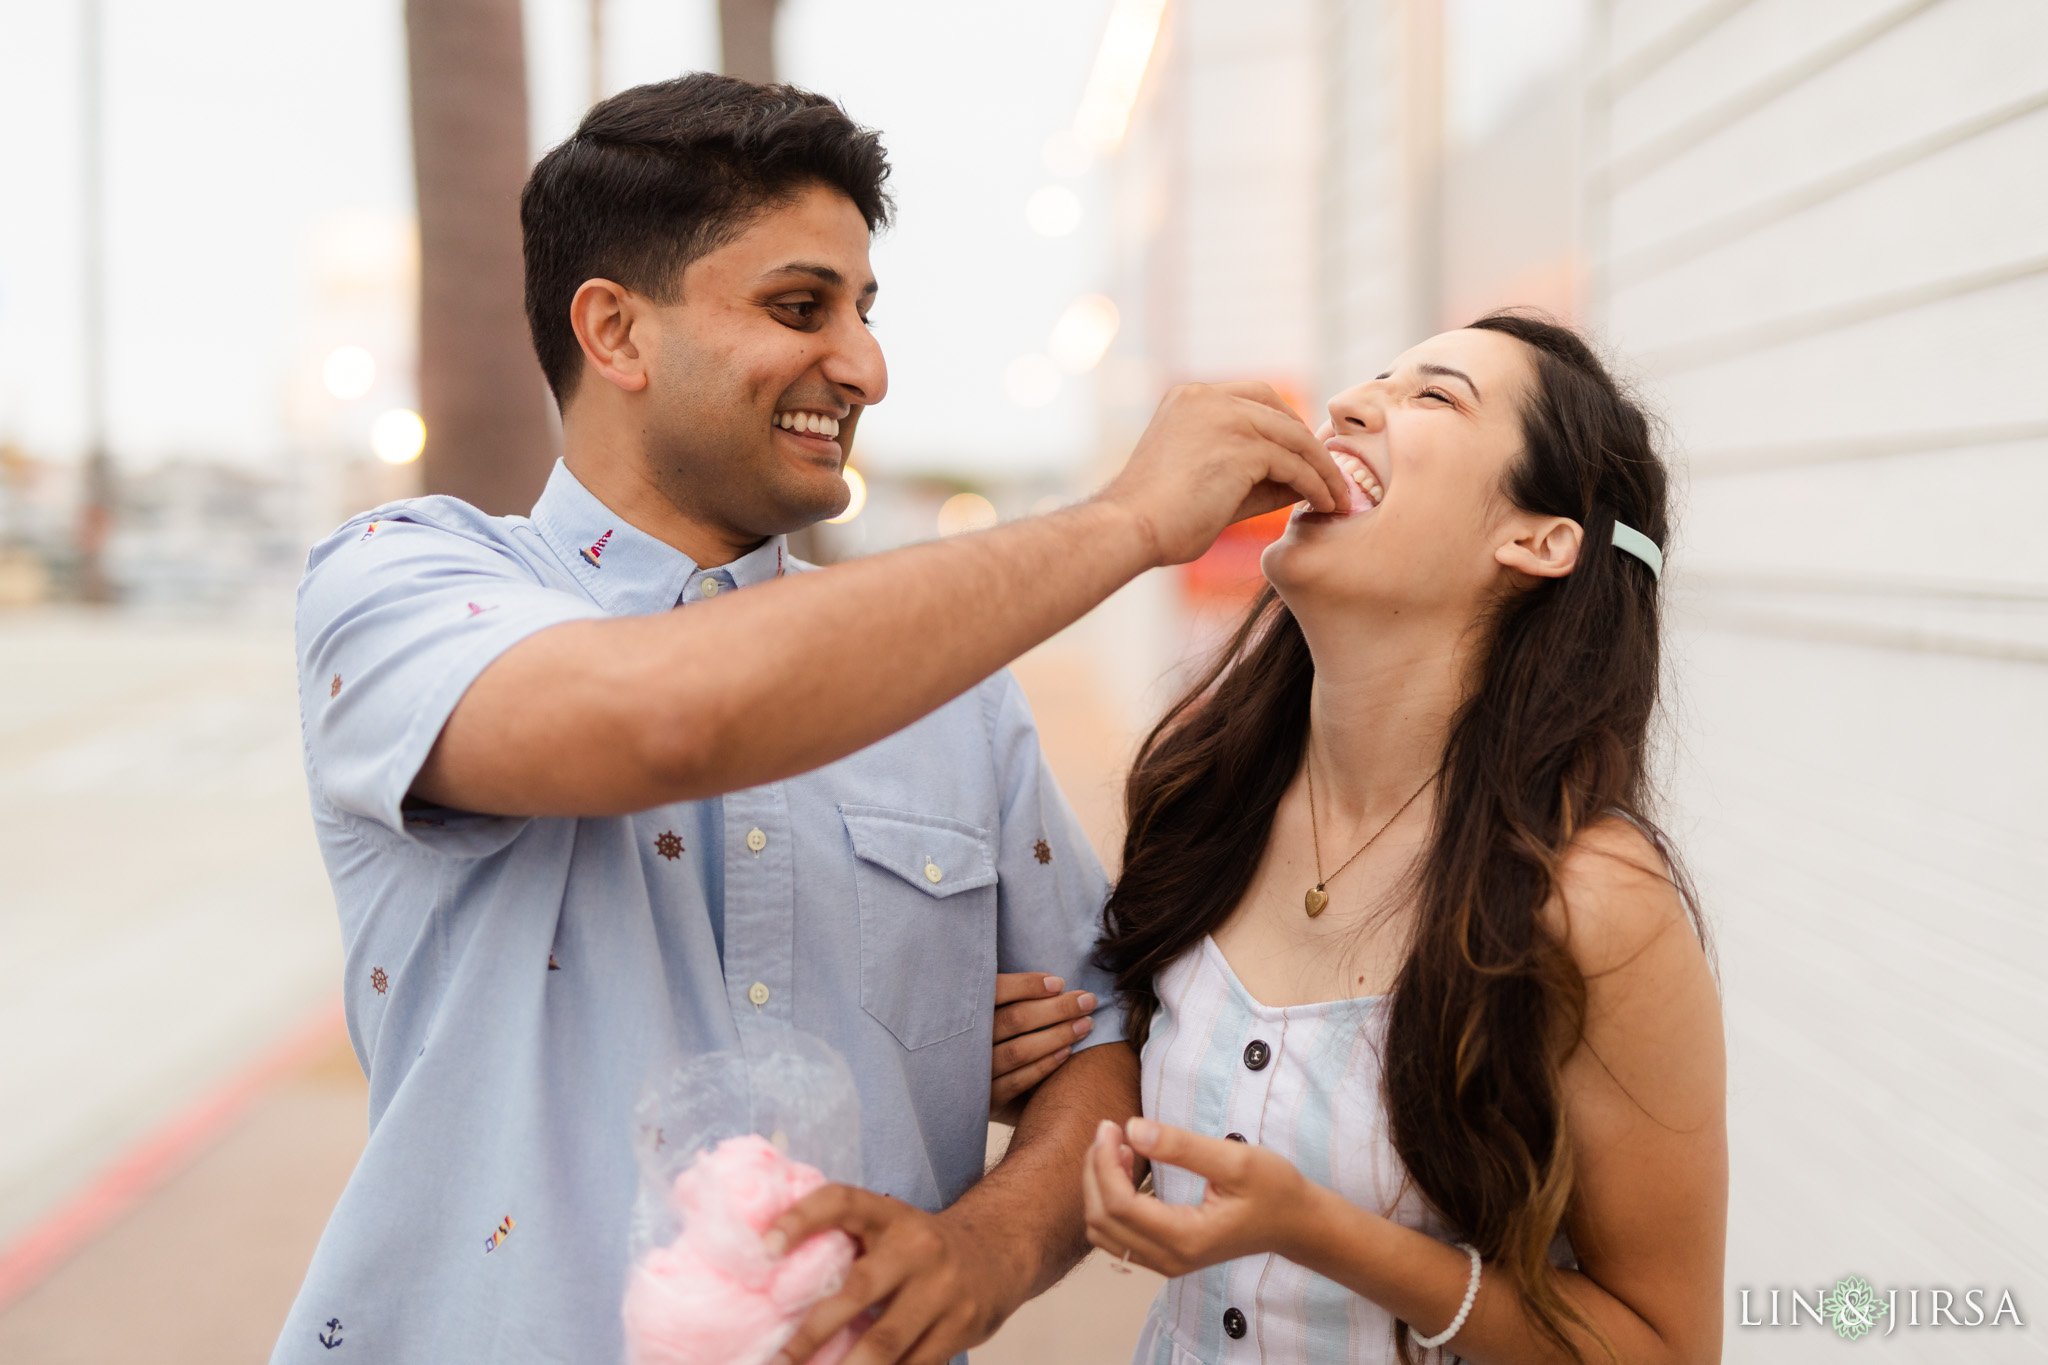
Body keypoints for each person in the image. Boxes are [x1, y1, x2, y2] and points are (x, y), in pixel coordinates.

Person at [273, 73, 1351, 1365]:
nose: (866, 367)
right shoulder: (400, 580)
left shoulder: (954, 687)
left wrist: (989, 1245)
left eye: (865, 310)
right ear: (615, 332)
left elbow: (1100, 1037)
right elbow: (662, 717)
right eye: (801, 307)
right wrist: (1123, 526)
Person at [1082, 312, 1727, 1364]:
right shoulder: (1209, 800)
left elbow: (1664, 1345)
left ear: (1536, 539)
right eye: (1371, 380)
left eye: (1433, 395)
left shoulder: (1592, 901)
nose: (1344, 405)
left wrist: (1318, 1233)